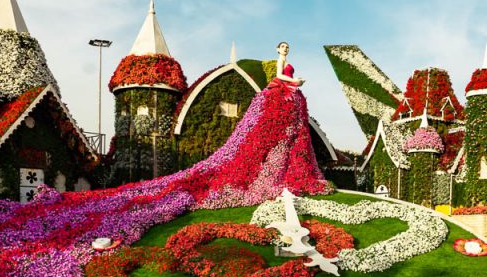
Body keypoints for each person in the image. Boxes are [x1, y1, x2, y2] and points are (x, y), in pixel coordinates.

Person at [106, 40, 330, 209]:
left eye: (286, 48)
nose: (284, 51)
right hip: (285, 89)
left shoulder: (287, 79)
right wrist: (295, 81)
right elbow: (281, 75)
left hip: (289, 97)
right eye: (282, 48)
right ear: (278, 50)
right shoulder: (281, 64)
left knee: (291, 134)